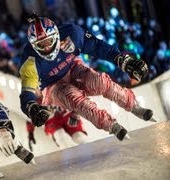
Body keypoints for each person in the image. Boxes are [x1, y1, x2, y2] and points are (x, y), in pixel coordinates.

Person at [19, 14, 154, 141]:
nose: (47, 48)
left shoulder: (72, 33)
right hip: (52, 86)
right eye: (41, 45)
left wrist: (123, 60)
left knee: (99, 81)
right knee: (75, 99)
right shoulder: (30, 62)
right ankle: (109, 124)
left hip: (72, 68)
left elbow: (97, 46)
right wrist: (30, 106)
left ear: (56, 35)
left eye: (48, 41)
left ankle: (132, 104)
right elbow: (26, 93)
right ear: (34, 46)